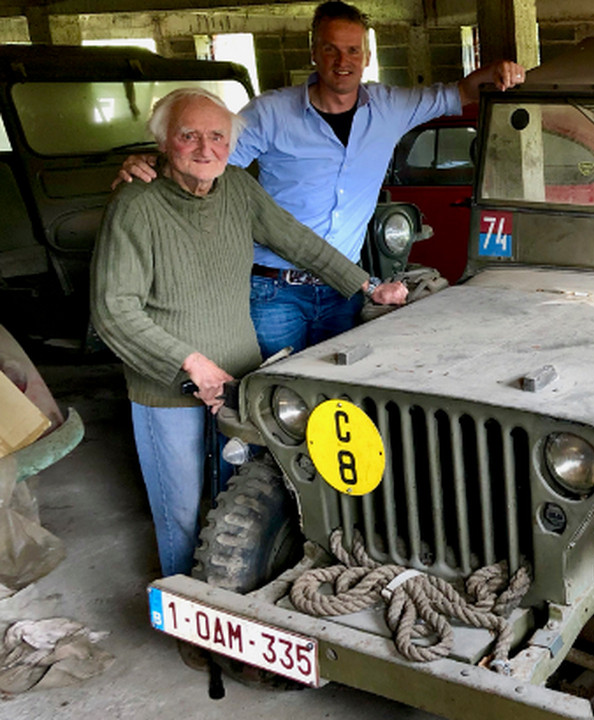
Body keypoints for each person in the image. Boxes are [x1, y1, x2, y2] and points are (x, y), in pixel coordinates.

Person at [91, 87, 407, 578]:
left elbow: (298, 241)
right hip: (167, 392)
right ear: (163, 143)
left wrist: (368, 286)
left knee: (238, 501)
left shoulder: (238, 188)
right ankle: (189, 615)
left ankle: (234, 600)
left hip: (238, 382)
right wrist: (191, 365)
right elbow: (113, 311)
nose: (205, 148)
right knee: (179, 512)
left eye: (217, 136)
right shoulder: (136, 204)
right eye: (188, 135)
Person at [117, 1, 525, 357]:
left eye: (352, 50)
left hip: (346, 287)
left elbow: (462, 93)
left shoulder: (391, 107)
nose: (342, 61)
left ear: (366, 56)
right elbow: (208, 159)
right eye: (331, 49)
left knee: (337, 395)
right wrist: (153, 161)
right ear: (314, 52)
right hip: (274, 291)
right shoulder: (270, 113)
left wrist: (498, 70)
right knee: (272, 394)